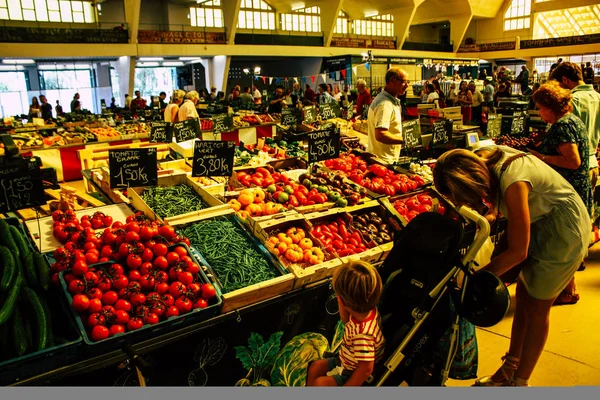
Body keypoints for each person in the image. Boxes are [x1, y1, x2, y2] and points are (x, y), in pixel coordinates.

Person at [433, 145, 590, 387]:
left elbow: (518, 252)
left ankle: (520, 382)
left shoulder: (513, 182)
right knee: (525, 296)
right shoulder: (483, 157)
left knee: (538, 306)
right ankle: (509, 368)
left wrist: (475, 280)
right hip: (542, 221)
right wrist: (492, 213)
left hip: (563, 230)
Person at [527, 81, 592, 305]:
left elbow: (573, 161)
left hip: (569, 187)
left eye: (539, 107)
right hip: (578, 187)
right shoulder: (572, 120)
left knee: (564, 241)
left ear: (549, 105)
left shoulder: (562, 126)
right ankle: (568, 288)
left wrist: (540, 157)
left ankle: (566, 291)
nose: (539, 112)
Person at [307, 261, 385, 386]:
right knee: (316, 367)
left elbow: (366, 369)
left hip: (352, 370)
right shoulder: (366, 310)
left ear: (343, 302)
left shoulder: (363, 335)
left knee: (321, 384)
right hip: (346, 358)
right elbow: (345, 321)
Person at [366, 67, 409, 164]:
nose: (407, 85)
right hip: (383, 161)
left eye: (408, 81)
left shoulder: (390, 101)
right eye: (403, 81)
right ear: (392, 81)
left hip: (385, 158)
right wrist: (406, 140)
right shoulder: (385, 104)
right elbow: (381, 134)